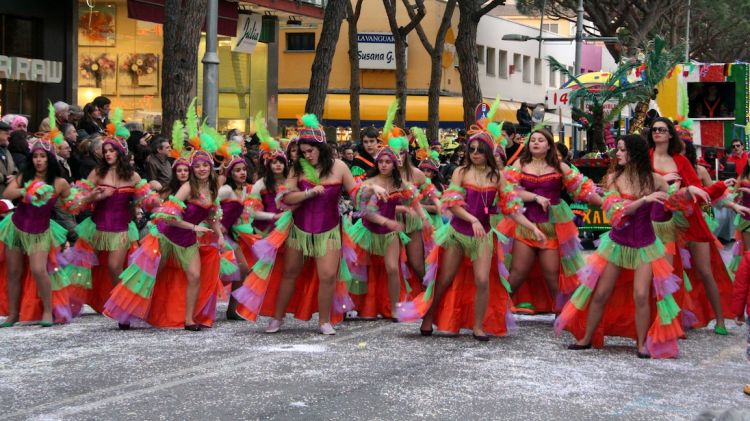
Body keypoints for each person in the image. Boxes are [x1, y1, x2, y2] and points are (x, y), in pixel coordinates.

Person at [398, 118, 545, 340]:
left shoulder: (497, 177)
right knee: (445, 279)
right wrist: (472, 220)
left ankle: (478, 326)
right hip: (457, 234)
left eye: (480, 150)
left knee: (483, 280)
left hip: (484, 236)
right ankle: (429, 317)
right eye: (472, 149)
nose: (475, 153)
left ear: (488, 152)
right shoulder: (461, 172)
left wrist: (532, 228)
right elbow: (452, 204)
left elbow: (511, 209)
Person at [557, 135, 699, 358]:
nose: (618, 154)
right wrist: (645, 200)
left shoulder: (655, 180)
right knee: (601, 292)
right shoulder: (614, 179)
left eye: (622, 150)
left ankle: (642, 344)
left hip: (645, 245)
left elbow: (671, 205)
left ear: (634, 153)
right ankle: (586, 339)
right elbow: (617, 213)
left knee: (642, 295)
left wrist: (689, 192)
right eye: (618, 149)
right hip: (616, 244)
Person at [253, 114, 385, 335]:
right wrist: (308, 193)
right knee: (289, 273)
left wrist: (373, 189)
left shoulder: (340, 167)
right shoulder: (298, 169)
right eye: (303, 151)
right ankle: (277, 318)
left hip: (330, 229)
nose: (307, 155)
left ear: (321, 148)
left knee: (327, 275)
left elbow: (354, 194)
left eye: (310, 150)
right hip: (299, 228)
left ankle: (324, 321)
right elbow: (285, 198)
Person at [104, 112, 231, 331]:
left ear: (211, 168)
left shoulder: (212, 189)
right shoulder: (187, 187)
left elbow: (212, 216)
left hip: (188, 241)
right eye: (198, 166)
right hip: (165, 237)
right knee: (150, 277)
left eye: (205, 166)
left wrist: (219, 236)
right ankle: (127, 313)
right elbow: (167, 217)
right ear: (193, 169)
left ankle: (189, 319)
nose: (202, 169)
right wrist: (193, 226)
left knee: (194, 276)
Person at [648, 118, 748, 335]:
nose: (657, 133)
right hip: (659, 222)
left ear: (670, 136)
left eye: (662, 130)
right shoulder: (646, 158)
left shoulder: (683, 162)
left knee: (704, 270)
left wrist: (730, 203)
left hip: (689, 221)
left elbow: (702, 193)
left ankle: (720, 319)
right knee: (667, 273)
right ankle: (669, 321)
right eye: (654, 129)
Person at [63, 110, 159, 319]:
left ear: (120, 153)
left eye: (111, 151)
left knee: (115, 267)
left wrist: (159, 201)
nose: (107, 154)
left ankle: (121, 304)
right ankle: (82, 303)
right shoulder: (97, 173)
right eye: (105, 151)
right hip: (96, 227)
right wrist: (93, 198)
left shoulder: (132, 176)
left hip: (121, 228)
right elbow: (73, 204)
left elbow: (148, 201)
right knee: (86, 268)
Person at [499, 128, 602, 315]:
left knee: (553, 276)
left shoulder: (560, 167)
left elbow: (582, 191)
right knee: (517, 274)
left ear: (549, 145)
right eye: (533, 140)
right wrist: (534, 197)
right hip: (525, 223)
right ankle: (497, 310)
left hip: (552, 225)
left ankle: (562, 314)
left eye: (541, 140)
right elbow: (509, 192)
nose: (536, 143)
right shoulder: (520, 164)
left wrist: (610, 205)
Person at [0, 132, 75, 327]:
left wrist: (91, 198)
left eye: (42, 156)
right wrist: (28, 190)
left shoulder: (59, 183)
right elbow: (7, 193)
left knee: (38, 270)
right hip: (16, 227)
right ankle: (13, 314)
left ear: (49, 159)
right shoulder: (25, 176)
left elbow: (71, 206)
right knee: (14, 271)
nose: (38, 160)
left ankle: (48, 312)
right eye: (35, 156)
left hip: (40, 231)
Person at [345, 141, 423, 320]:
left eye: (388, 162)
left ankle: (395, 308)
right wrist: (388, 222)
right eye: (381, 162)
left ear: (394, 164)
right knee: (356, 268)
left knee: (392, 269)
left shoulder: (400, 183)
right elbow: (365, 211)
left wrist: (423, 216)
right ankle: (348, 305)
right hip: (367, 231)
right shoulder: (369, 183)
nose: (384, 165)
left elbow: (414, 198)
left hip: (389, 234)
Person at [0, 122, 17, 196]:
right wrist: (4, 178)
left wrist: (15, 176)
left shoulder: (7, 151)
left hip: (6, 198)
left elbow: (14, 167)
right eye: (6, 133)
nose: (9, 136)